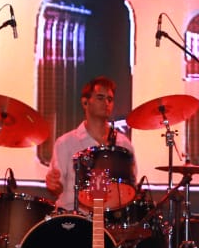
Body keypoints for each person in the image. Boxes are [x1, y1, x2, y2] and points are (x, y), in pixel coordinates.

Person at [45, 76, 134, 212]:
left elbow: (129, 189)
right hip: (71, 217)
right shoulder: (65, 143)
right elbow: (57, 189)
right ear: (85, 103)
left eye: (110, 99)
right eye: (100, 98)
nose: (106, 103)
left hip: (110, 218)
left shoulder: (123, 144)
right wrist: (53, 183)